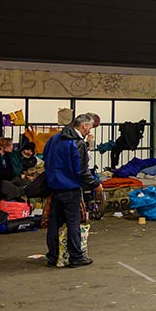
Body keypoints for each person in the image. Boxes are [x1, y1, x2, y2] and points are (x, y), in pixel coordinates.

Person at [43, 114, 103, 267]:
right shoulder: (77, 143)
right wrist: (95, 184)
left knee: (54, 223)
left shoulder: (54, 138)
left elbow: (46, 158)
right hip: (70, 189)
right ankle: (76, 257)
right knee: (73, 222)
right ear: (83, 126)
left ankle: (52, 256)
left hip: (54, 187)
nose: (89, 131)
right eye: (89, 127)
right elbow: (81, 171)